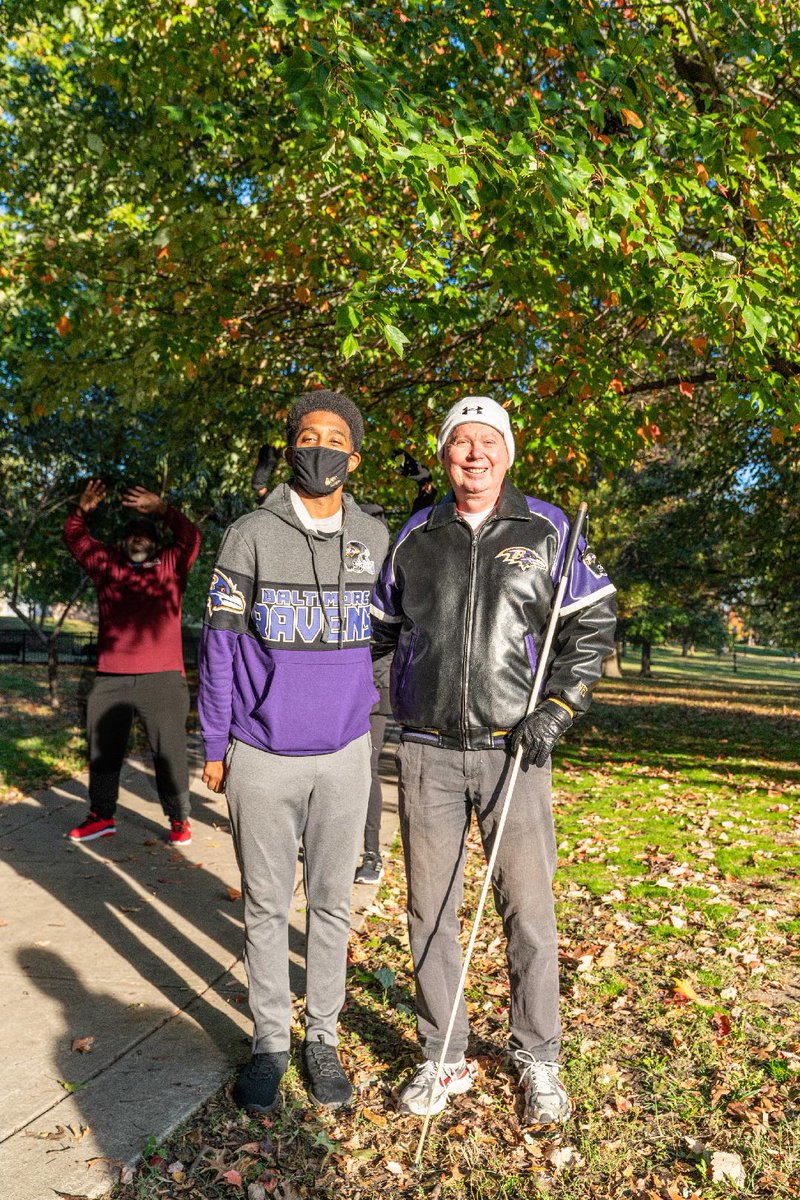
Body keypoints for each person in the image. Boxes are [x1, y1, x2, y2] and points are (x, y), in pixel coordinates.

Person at [370, 396, 616, 1125]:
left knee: (529, 913)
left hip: (517, 750)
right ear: (444, 454)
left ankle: (538, 1054)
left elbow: (593, 622)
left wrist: (559, 706)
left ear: (508, 452)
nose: (473, 455)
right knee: (430, 914)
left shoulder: (548, 530)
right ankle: (443, 1057)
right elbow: (381, 633)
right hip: (427, 753)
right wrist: (394, 704)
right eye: (459, 443)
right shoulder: (417, 533)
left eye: (487, 442)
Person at [198, 390, 389, 1114]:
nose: (321, 447)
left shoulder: (374, 536)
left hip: (344, 751)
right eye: (308, 436)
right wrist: (215, 741)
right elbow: (219, 648)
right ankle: (271, 1043)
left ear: (354, 455)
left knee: (334, 906)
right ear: (290, 449)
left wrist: (369, 718)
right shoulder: (248, 534)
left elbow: (389, 641)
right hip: (261, 752)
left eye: (335, 438)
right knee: (267, 908)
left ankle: (325, 1039)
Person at [63, 481, 201, 846]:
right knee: (103, 750)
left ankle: (179, 819)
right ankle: (101, 815)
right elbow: (75, 539)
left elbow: (191, 537)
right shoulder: (107, 563)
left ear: (155, 542)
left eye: (145, 536)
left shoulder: (171, 563)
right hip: (111, 679)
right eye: (132, 536)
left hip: (164, 679)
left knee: (168, 753)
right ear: (123, 541)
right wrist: (81, 512)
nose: (138, 540)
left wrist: (161, 510)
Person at [353, 451, 438, 886]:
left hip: (377, 683)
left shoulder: (397, 558)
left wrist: (425, 486)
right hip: (335, 680)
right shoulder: (339, 561)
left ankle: (370, 853)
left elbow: (423, 527)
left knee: (364, 766)